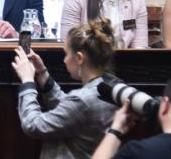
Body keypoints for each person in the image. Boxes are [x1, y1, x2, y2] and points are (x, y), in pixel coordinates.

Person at [12, 19, 117, 159]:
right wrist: (43, 74)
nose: (64, 60)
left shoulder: (82, 100)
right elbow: (69, 110)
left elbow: (33, 125)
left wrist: (27, 81)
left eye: (66, 54)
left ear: (79, 58)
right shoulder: (108, 88)